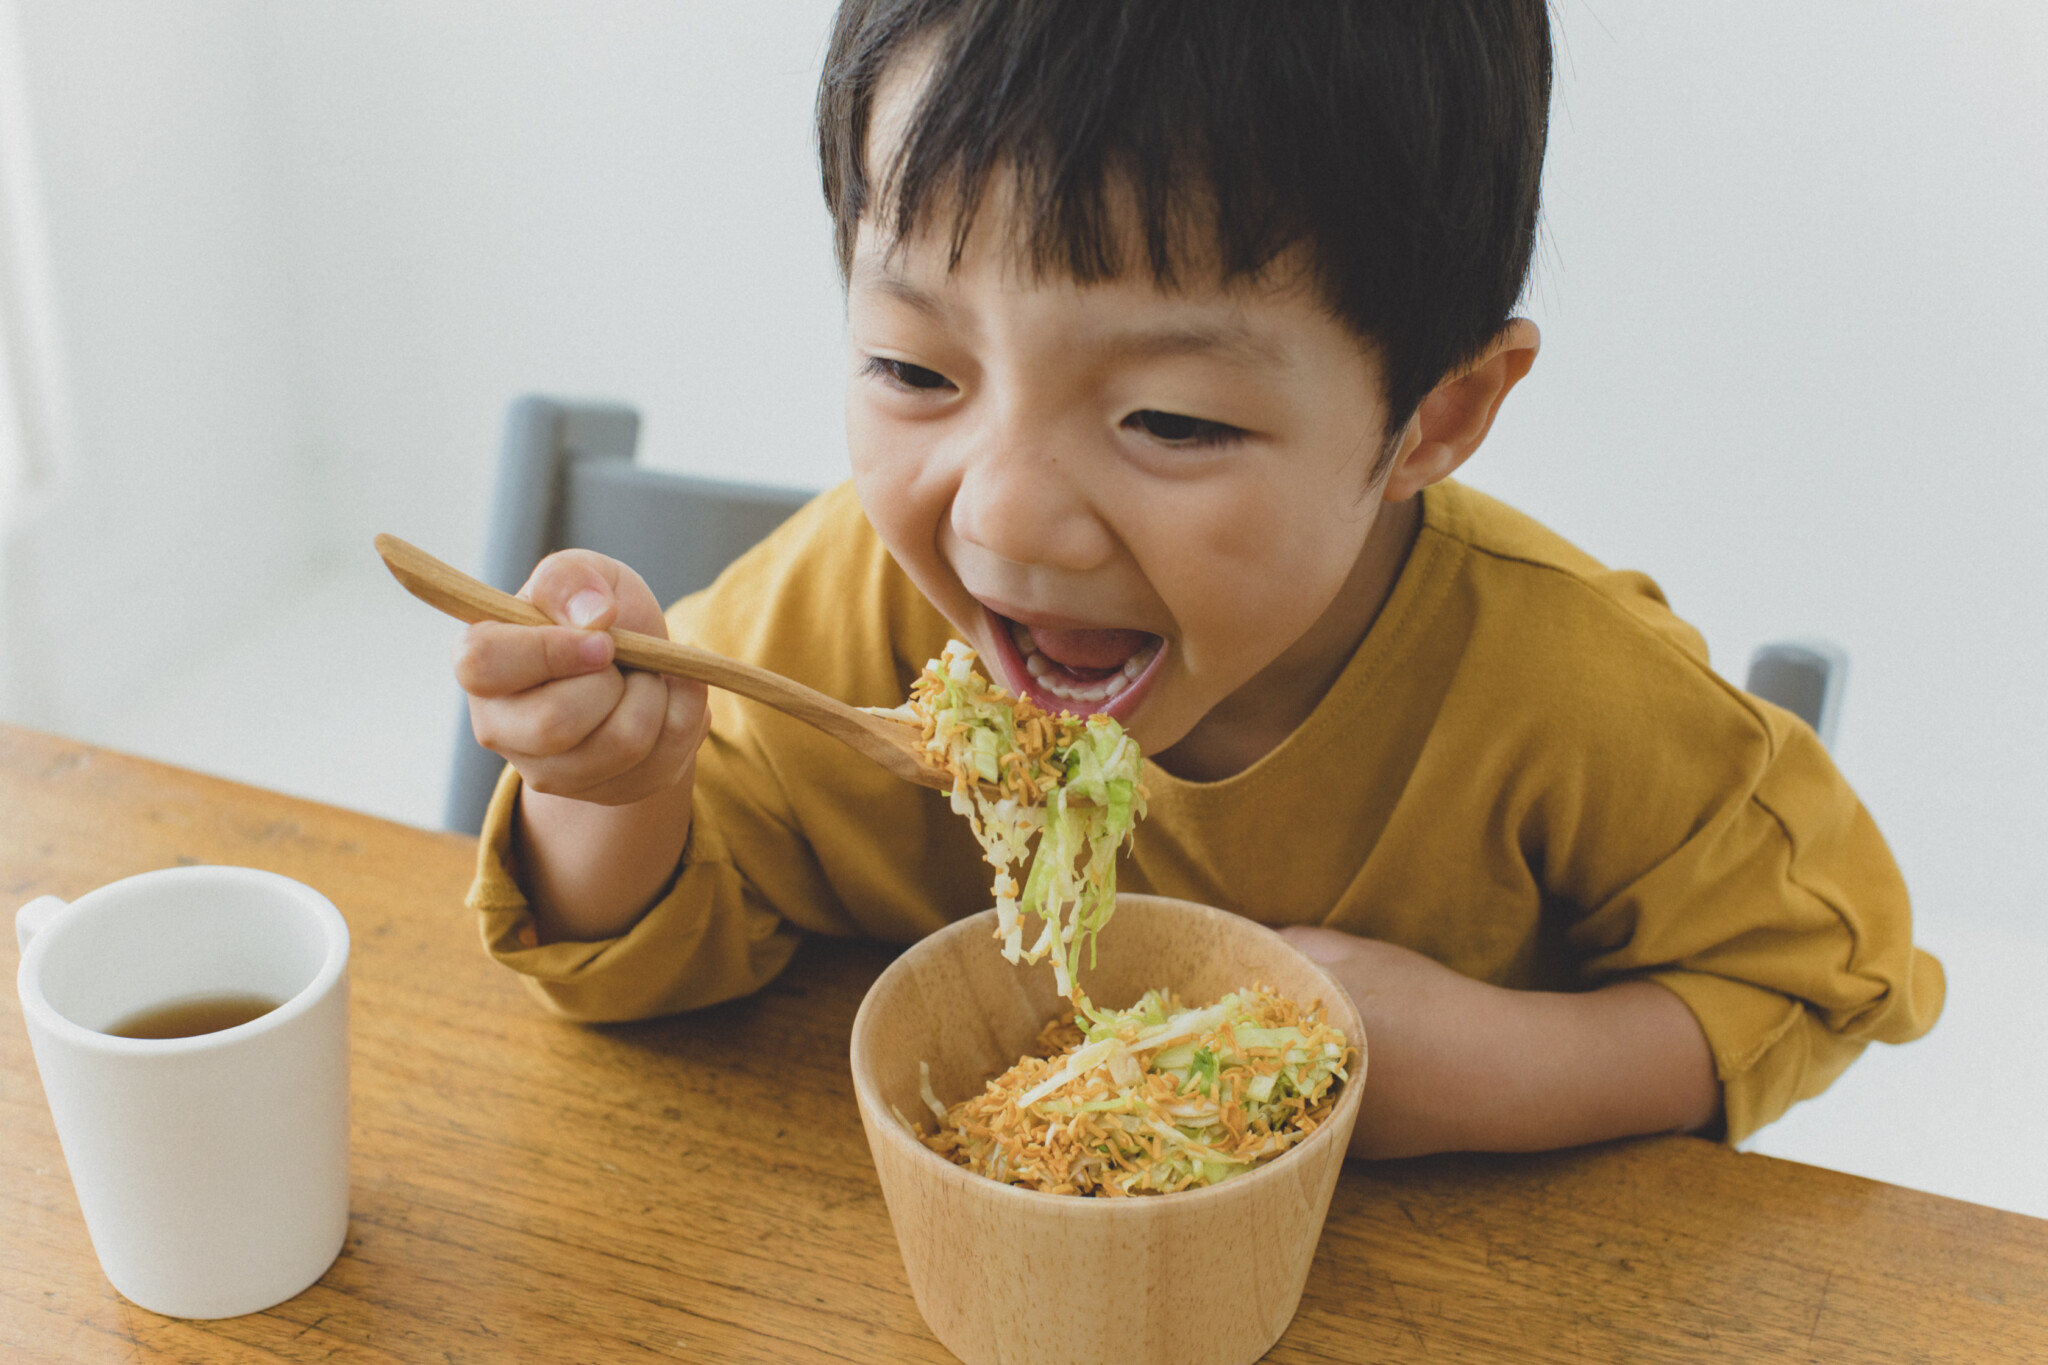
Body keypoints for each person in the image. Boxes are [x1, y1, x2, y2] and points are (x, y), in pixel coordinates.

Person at [451, 0, 1941, 1156]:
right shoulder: (850, 611)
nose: (1007, 515)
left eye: (1170, 417)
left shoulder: (1567, 693)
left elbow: (1826, 971)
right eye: (915, 367)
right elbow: (639, 956)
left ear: (1435, 413)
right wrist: (617, 783)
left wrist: (1486, 1068)